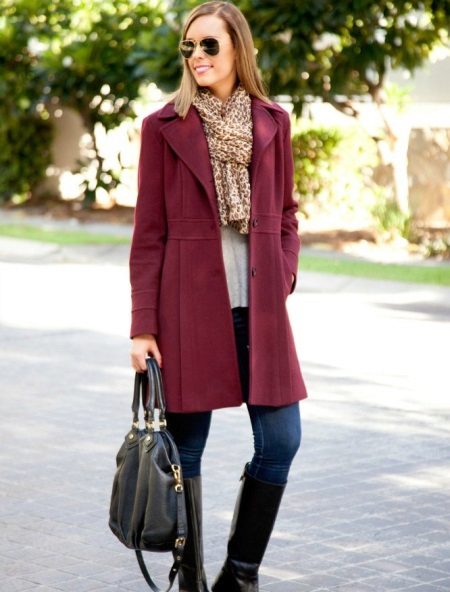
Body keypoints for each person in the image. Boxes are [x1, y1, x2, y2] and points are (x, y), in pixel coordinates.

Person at [129, 2, 308, 590]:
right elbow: (148, 234)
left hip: (259, 311)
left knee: (281, 441)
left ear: (238, 49)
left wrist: (283, 273)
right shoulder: (164, 126)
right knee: (186, 452)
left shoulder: (272, 122)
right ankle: (191, 581)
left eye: (210, 44)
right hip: (188, 311)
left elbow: (286, 214)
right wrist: (143, 326)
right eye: (190, 46)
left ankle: (240, 575)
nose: (198, 56)